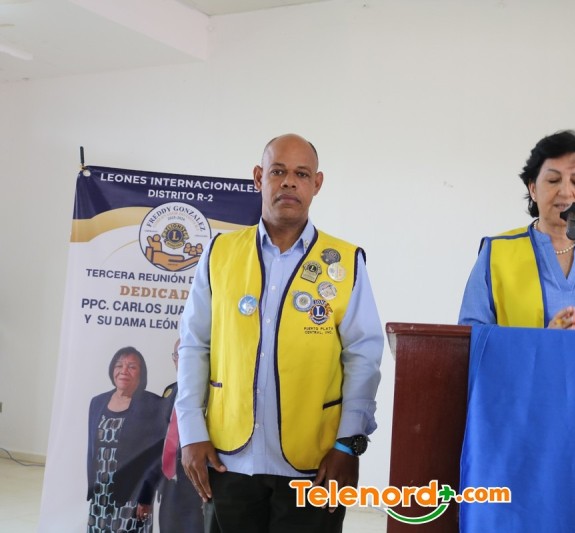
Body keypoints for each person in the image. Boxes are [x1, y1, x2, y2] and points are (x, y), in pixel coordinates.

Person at [176, 133, 384, 532]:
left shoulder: (345, 261)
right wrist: (190, 432)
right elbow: (194, 344)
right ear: (259, 177)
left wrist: (348, 444)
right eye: (278, 171)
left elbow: (364, 357)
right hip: (227, 458)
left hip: (316, 463)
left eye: (301, 174)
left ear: (316, 184)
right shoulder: (219, 253)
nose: (289, 182)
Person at [458, 129, 575, 331]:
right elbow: (472, 338)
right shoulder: (496, 253)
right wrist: (544, 342)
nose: (565, 192)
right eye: (553, 180)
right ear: (533, 188)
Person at [86, 346, 165, 533]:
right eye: (119, 365)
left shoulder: (153, 404)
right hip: (101, 493)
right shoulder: (97, 402)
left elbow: (156, 456)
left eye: (132, 367)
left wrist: (146, 497)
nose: (124, 371)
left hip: (132, 495)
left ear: (141, 374)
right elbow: (92, 448)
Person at [156, 339, 204, 532]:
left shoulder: (210, 391)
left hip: (197, 484)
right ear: (174, 360)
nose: (182, 360)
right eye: (178, 355)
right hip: (169, 486)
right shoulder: (169, 391)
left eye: (187, 355)